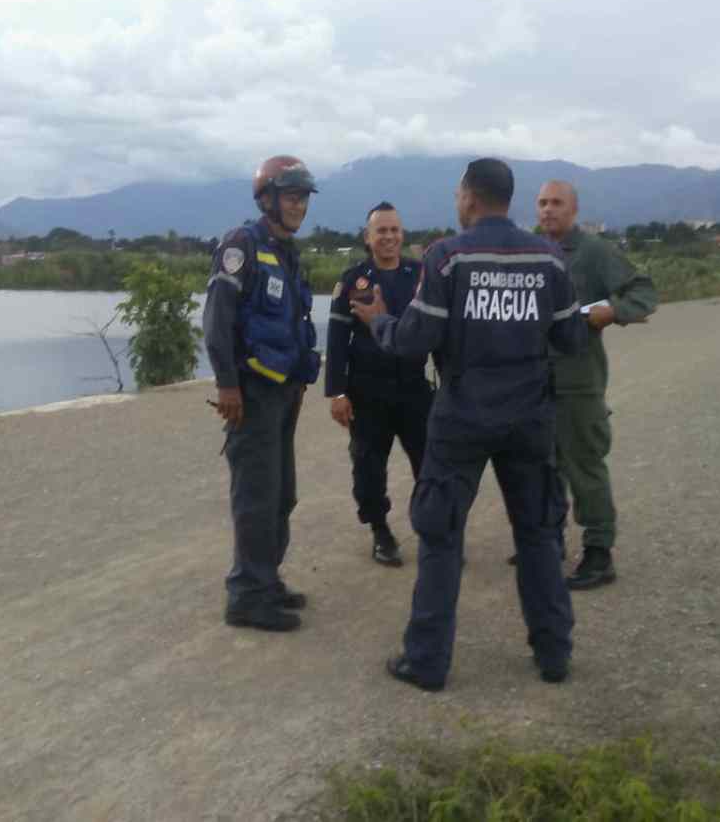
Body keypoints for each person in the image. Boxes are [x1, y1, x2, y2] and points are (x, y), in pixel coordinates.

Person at [350, 158, 587, 690]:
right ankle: (554, 655)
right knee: (539, 535)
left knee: (440, 536)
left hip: (461, 419)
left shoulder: (447, 257)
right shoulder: (548, 257)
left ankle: (427, 661)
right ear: (509, 198)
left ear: (469, 198)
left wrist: (378, 322)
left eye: (458, 195)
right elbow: (570, 339)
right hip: (529, 418)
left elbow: (414, 340)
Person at [203, 155, 322, 632]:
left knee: (281, 495)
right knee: (255, 495)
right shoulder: (242, 246)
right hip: (250, 394)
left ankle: (265, 579)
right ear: (268, 198)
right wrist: (227, 384)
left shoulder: (287, 252)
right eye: (292, 196)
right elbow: (216, 322)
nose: (299, 206)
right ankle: (246, 596)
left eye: (303, 198)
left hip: (284, 392)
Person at [535, 181, 658, 589]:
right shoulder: (533, 252)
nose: (548, 210)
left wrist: (612, 310)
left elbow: (643, 291)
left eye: (556, 203)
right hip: (535, 383)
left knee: (584, 466)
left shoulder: (594, 253)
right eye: (542, 203)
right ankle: (547, 542)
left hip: (577, 382)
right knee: (543, 467)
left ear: (573, 210)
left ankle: (599, 552)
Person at [325, 202, 434, 567]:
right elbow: (337, 340)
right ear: (368, 237)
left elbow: (437, 329)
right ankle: (380, 531)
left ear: (402, 235)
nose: (388, 237)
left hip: (414, 388)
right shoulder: (354, 280)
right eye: (381, 231)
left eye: (394, 230)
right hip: (368, 391)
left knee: (430, 465)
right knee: (369, 467)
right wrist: (337, 392)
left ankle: (433, 531)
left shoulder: (421, 275)